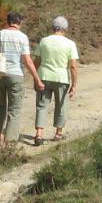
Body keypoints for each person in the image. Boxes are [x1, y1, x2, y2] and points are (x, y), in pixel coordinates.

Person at [0, 11, 42, 151]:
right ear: (19, 22)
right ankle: (9, 143)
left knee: (0, 106)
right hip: (16, 75)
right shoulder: (23, 37)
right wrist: (37, 79)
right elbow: (27, 60)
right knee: (14, 110)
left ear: (7, 22)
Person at [32, 16, 80, 146]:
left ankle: (39, 134)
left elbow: (36, 62)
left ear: (53, 28)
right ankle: (58, 133)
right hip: (61, 78)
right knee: (61, 106)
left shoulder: (44, 41)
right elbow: (73, 66)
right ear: (65, 29)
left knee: (42, 106)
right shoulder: (70, 44)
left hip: (44, 76)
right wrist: (74, 85)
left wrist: (35, 77)